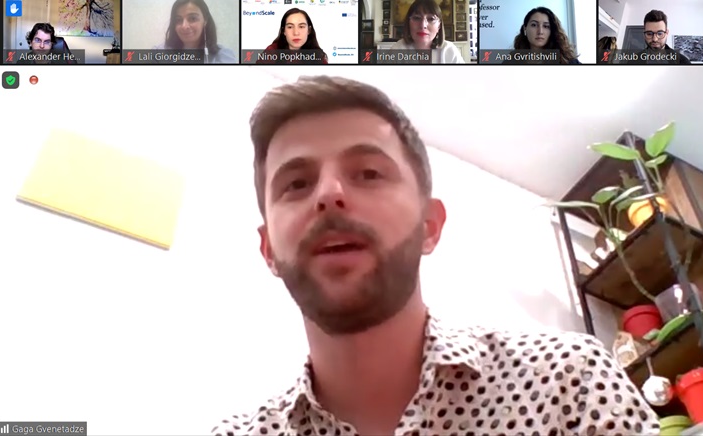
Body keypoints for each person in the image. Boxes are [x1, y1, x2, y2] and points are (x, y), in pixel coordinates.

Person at [210, 75, 661, 436]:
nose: (328, 193)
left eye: (368, 173)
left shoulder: (568, 383)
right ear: (269, 249)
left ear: (430, 225)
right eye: (296, 184)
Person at [154, 0, 237, 64]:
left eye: (192, 18)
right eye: (178, 20)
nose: (184, 26)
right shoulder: (158, 52)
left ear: (205, 20)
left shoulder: (223, 56)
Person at [389, 0, 464, 64]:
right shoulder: (396, 50)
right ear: (408, 23)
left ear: (439, 26)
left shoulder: (450, 51)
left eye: (431, 19)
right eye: (417, 18)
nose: (423, 25)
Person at [503, 6, 580, 64]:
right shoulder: (512, 60)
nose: (540, 31)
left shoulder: (566, 60)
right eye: (534, 25)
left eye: (546, 26)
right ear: (525, 29)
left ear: (552, 31)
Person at [257, 8, 329, 65]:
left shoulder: (318, 55)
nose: (296, 33)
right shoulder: (272, 51)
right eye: (290, 27)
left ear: (309, 30)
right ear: (284, 31)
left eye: (301, 27)